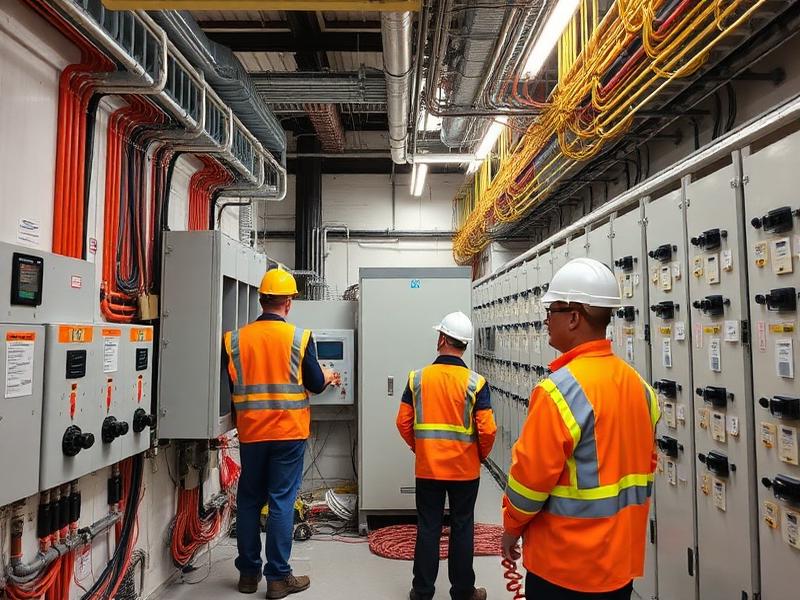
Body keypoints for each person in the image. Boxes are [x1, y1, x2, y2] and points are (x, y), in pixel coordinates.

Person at [501, 258, 660, 600]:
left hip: (565, 568)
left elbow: (529, 482)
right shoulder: (640, 387)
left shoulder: (558, 392)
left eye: (552, 310)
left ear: (574, 317)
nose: (546, 319)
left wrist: (511, 528)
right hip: (619, 566)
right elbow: (645, 465)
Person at [224, 269, 340, 599]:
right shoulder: (299, 338)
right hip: (288, 432)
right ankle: (277, 578)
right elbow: (314, 383)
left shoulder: (235, 340)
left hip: (252, 432)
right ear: (288, 303)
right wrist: (328, 375)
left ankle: (248, 575)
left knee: (249, 500)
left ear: (261, 300)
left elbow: (232, 386)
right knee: (281, 500)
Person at [396, 311, 497, 600]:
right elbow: (488, 429)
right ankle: (463, 591)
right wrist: (479, 455)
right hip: (465, 471)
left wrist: (420, 448)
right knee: (462, 527)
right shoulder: (476, 383)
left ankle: (422, 591)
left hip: (428, 468)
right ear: (464, 344)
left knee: (428, 527)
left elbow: (403, 422)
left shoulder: (417, 379)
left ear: (442, 338)